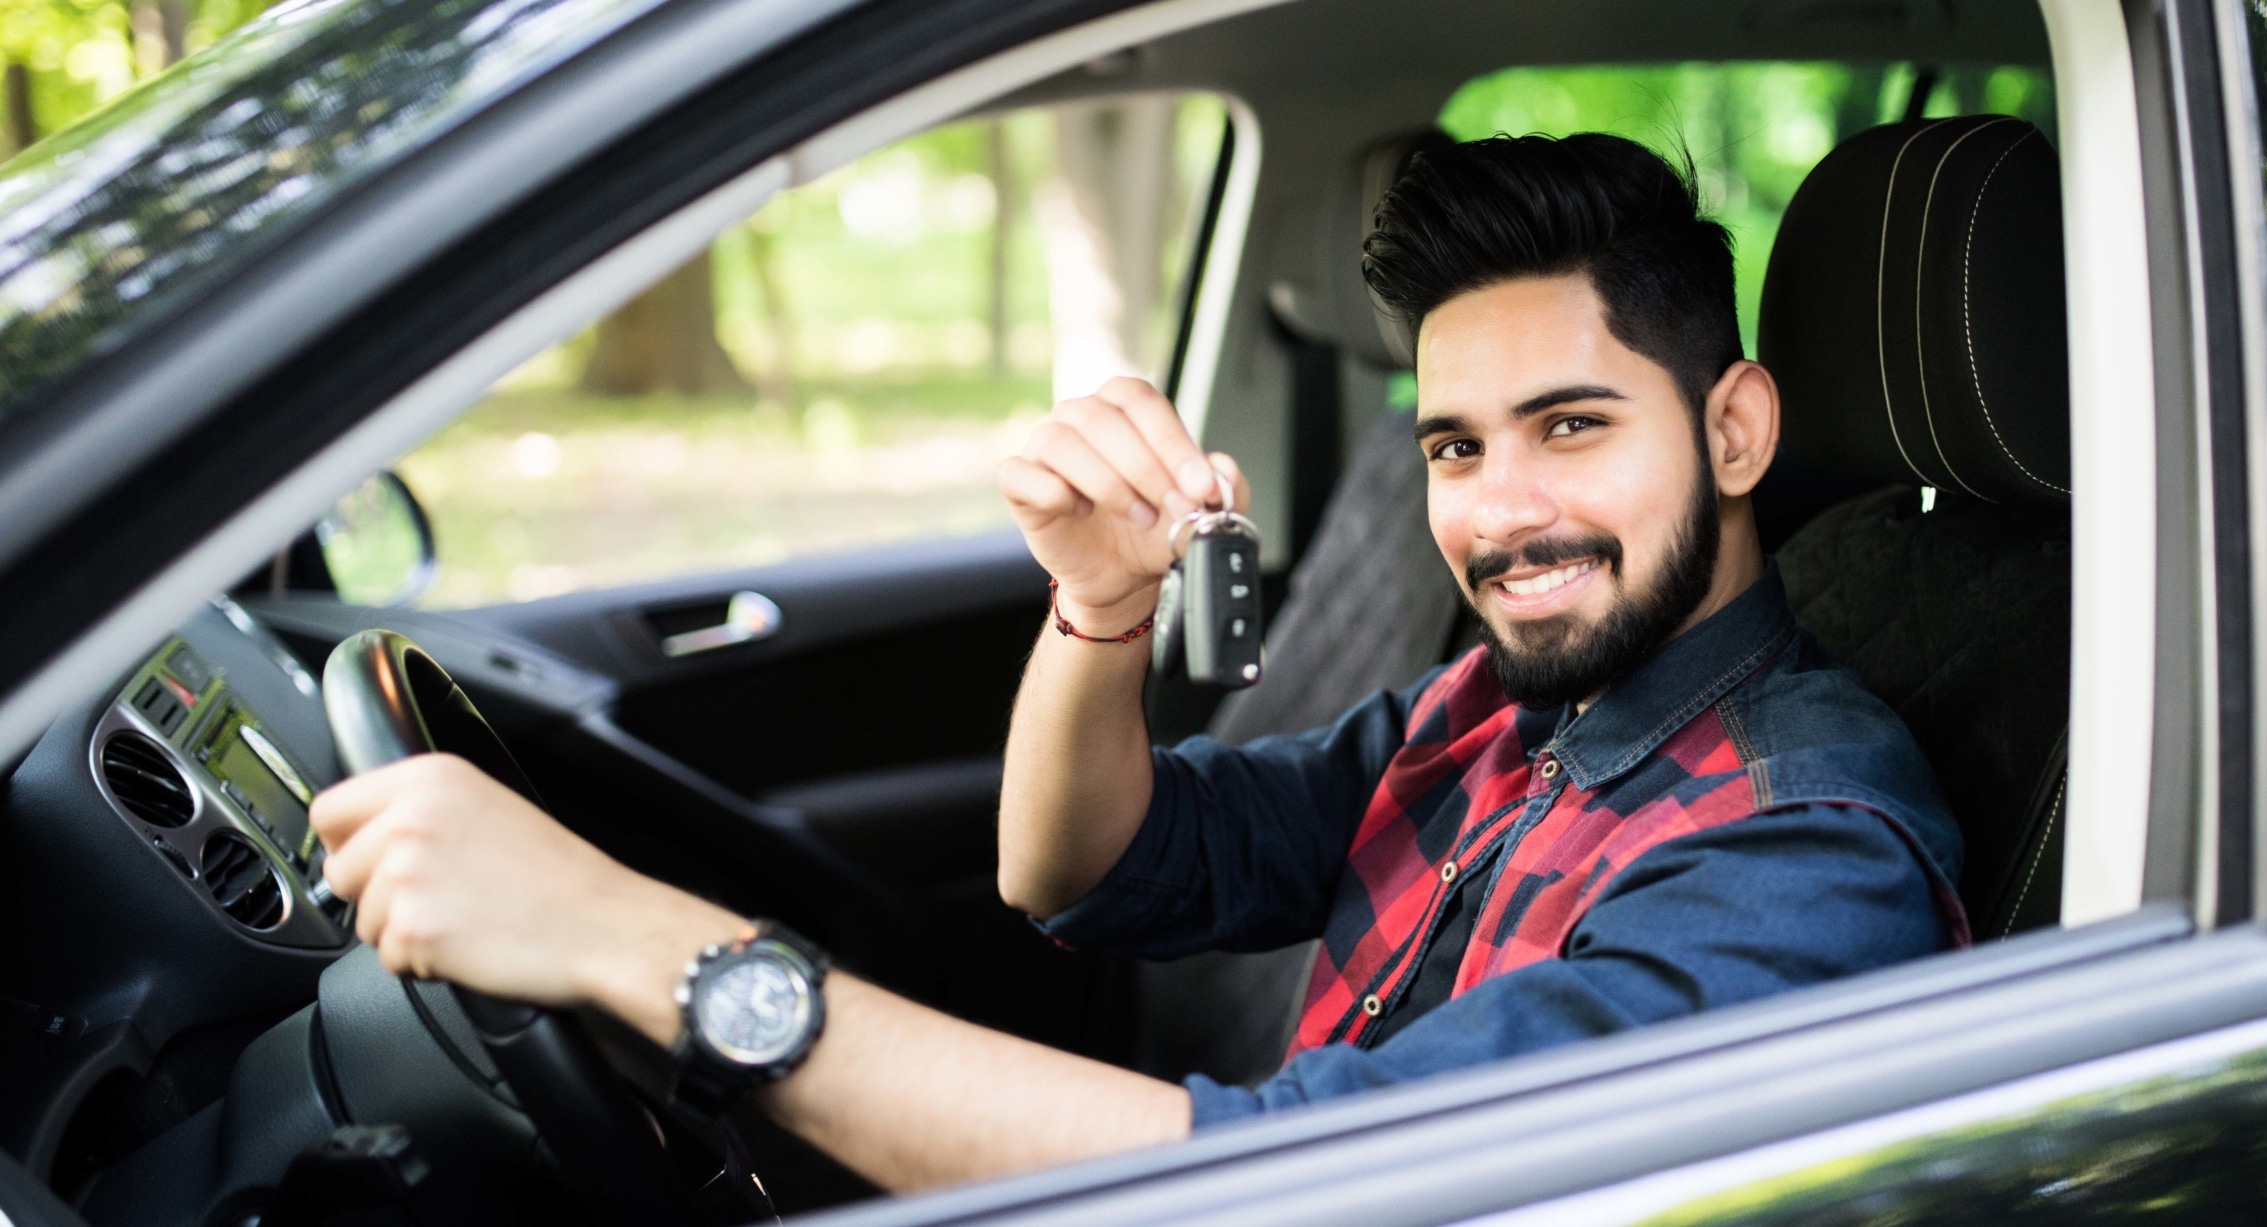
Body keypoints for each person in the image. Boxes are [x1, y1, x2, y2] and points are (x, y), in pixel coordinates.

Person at [310, 132, 1964, 1194]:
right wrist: (1101, 614)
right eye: (1455, 448)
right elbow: (1088, 869)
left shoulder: (1803, 850)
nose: (1503, 511)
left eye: (1573, 427)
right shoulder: (1507, 710)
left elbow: (1305, 1183)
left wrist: (636, 943)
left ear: (1734, 426)